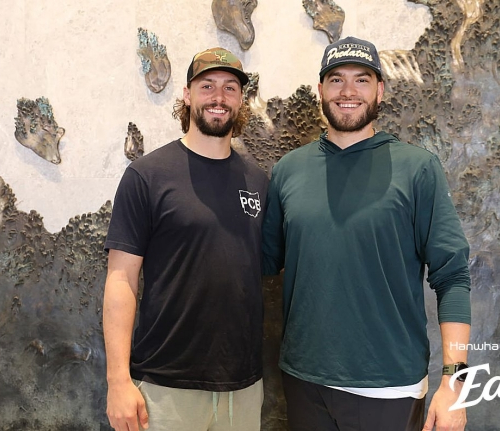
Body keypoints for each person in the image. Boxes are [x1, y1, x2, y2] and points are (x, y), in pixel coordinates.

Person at [262, 36, 471, 431]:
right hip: (304, 380)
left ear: (380, 90)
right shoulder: (288, 171)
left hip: (388, 386)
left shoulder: (417, 169)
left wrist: (454, 384)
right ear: (320, 90)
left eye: (361, 79)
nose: (348, 91)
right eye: (336, 79)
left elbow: (454, 277)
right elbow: (261, 262)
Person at [103, 47, 268, 431]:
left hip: (243, 388)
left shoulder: (258, 181)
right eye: (207, 85)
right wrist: (118, 381)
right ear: (187, 94)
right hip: (165, 387)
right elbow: (121, 279)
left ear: (241, 100)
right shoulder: (147, 175)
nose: (218, 96)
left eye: (230, 88)